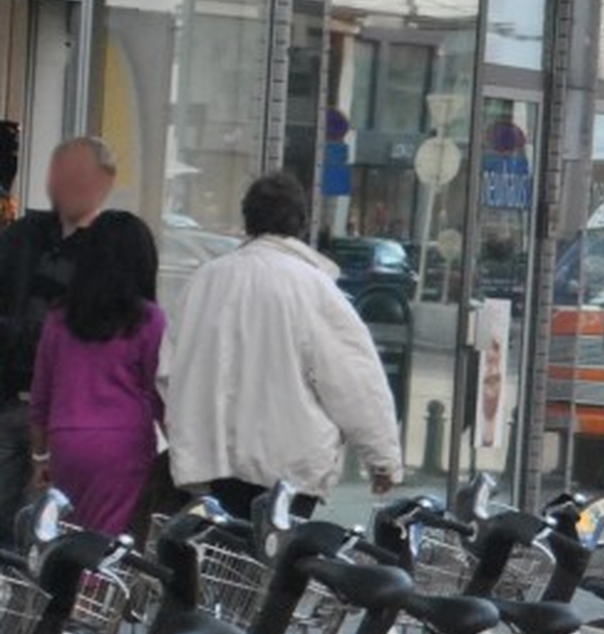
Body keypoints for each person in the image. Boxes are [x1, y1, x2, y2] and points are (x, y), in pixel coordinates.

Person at [159, 170, 403, 517]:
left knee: (225, 563)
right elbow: (354, 380)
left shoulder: (204, 282)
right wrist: (382, 460)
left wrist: (193, 429)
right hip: (290, 469)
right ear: (302, 224)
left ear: (247, 221)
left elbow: (169, 371)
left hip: (213, 464)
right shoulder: (314, 288)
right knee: (277, 564)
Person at [0, 138, 145, 545]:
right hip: (12, 398)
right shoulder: (23, 236)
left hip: (68, 421)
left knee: (47, 530)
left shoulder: (111, 248)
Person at [26, 212, 164, 538]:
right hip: (124, 444)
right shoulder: (149, 319)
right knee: (106, 545)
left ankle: (68, 589)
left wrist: (40, 456)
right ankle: (94, 589)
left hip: (66, 442)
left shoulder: (60, 317)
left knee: (68, 539)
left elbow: (41, 394)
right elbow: (161, 392)